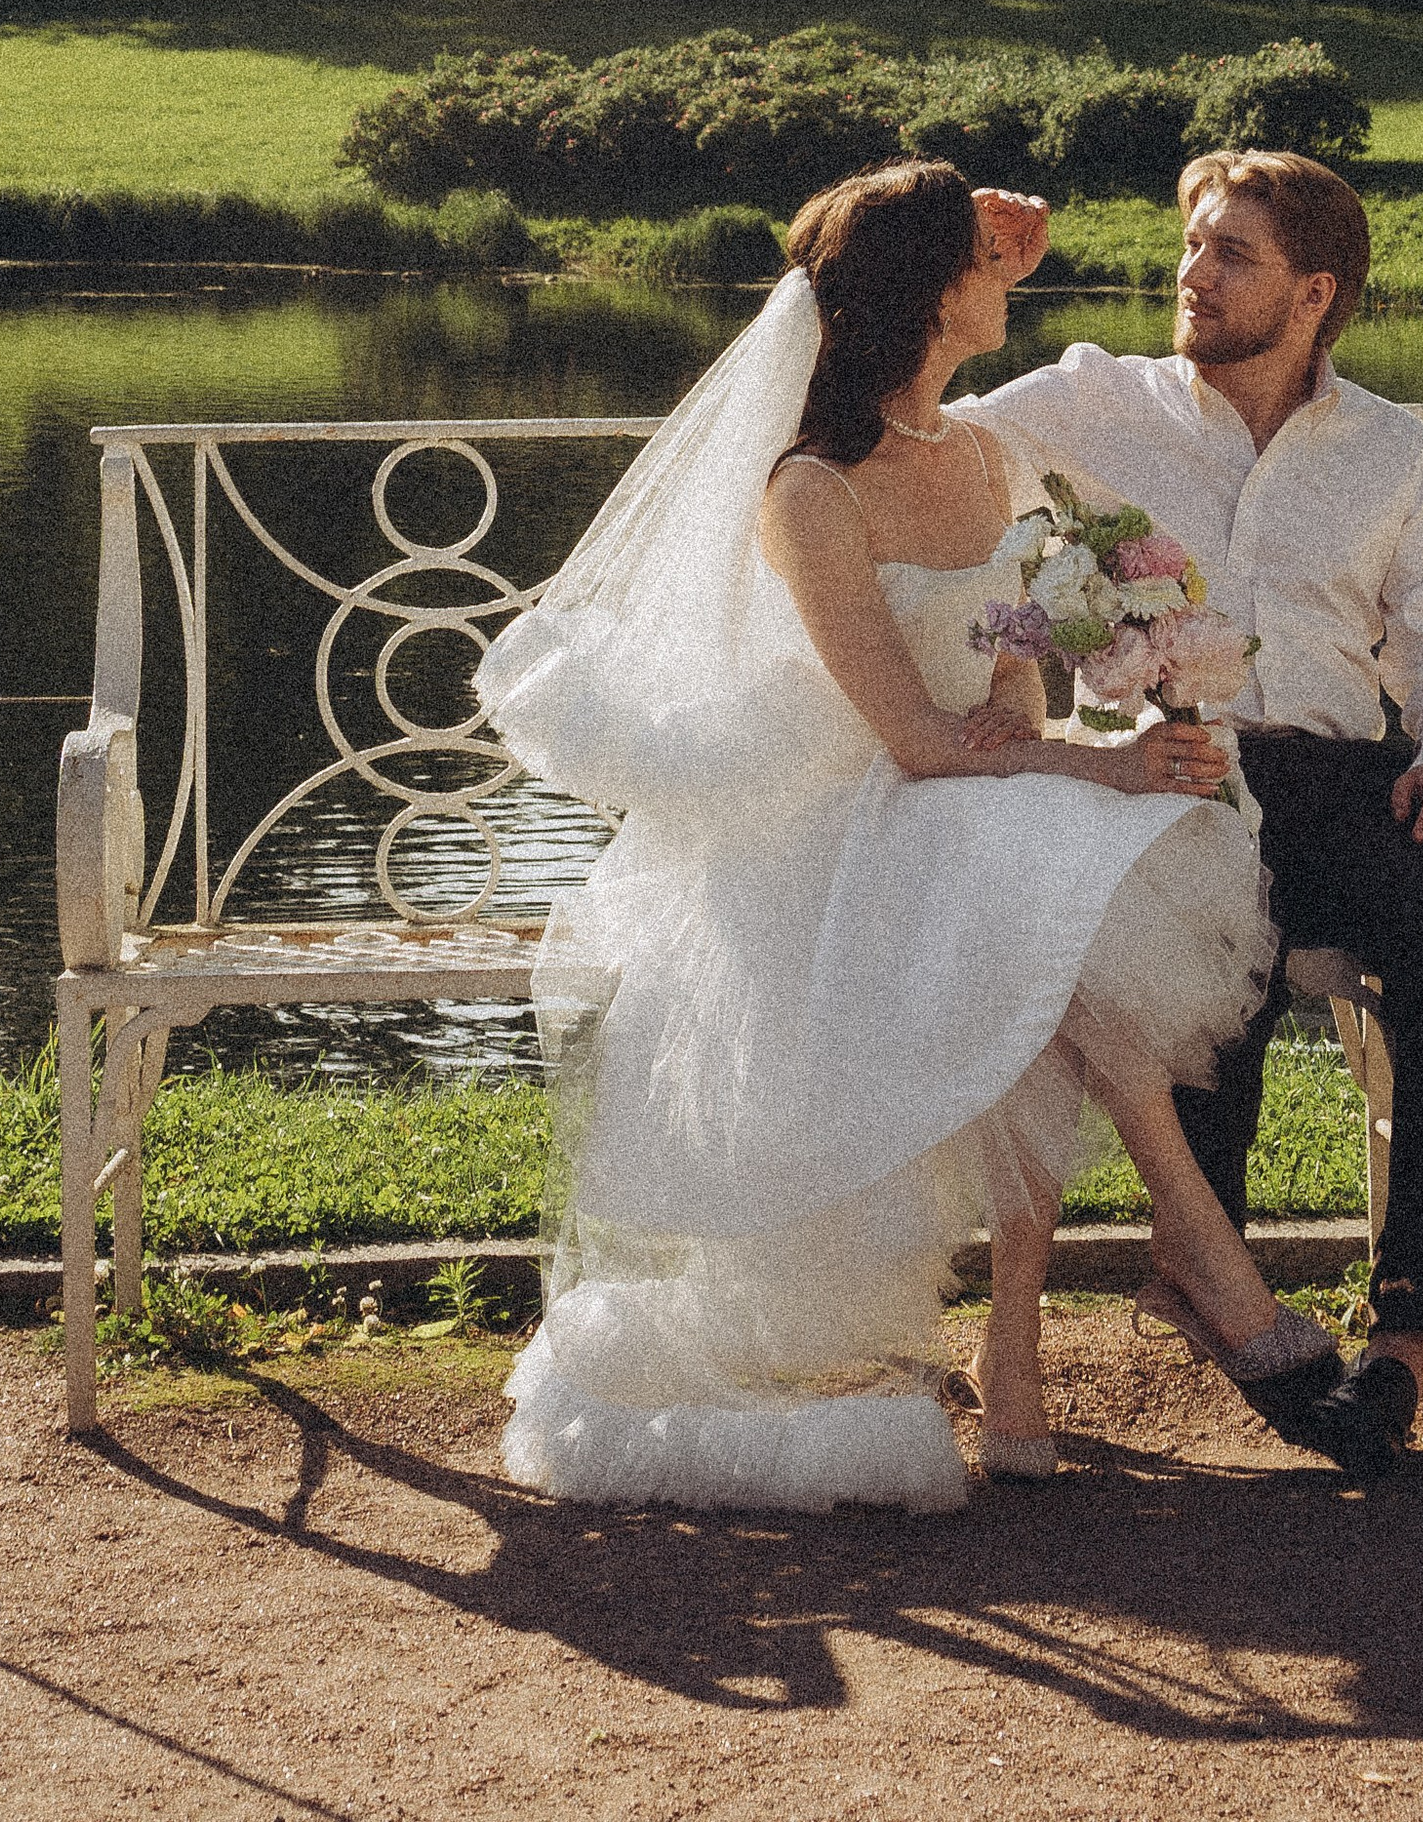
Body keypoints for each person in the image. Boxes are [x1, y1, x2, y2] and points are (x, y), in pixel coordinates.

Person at [477, 162, 1330, 1512]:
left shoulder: (983, 454)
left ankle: (1057, 1337)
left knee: (1058, 890)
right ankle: (1189, 1270)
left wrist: (1070, 749)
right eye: (984, 267)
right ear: (934, 296)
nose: (1010, 281)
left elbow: (1002, 681)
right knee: (1052, 895)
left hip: (960, 801)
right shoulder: (810, 490)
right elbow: (912, 740)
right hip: (829, 827)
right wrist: (1087, 768)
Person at [965, 152, 1423, 1479]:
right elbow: (923, 447)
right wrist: (976, 259)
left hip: (1351, 781)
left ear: (1313, 292)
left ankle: (1402, 1345)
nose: (1193, 273)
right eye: (1192, 244)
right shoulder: (1089, 401)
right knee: (1199, 965)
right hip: (1169, 771)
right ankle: (1207, 1274)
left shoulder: (1395, 450)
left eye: (1231, 255)